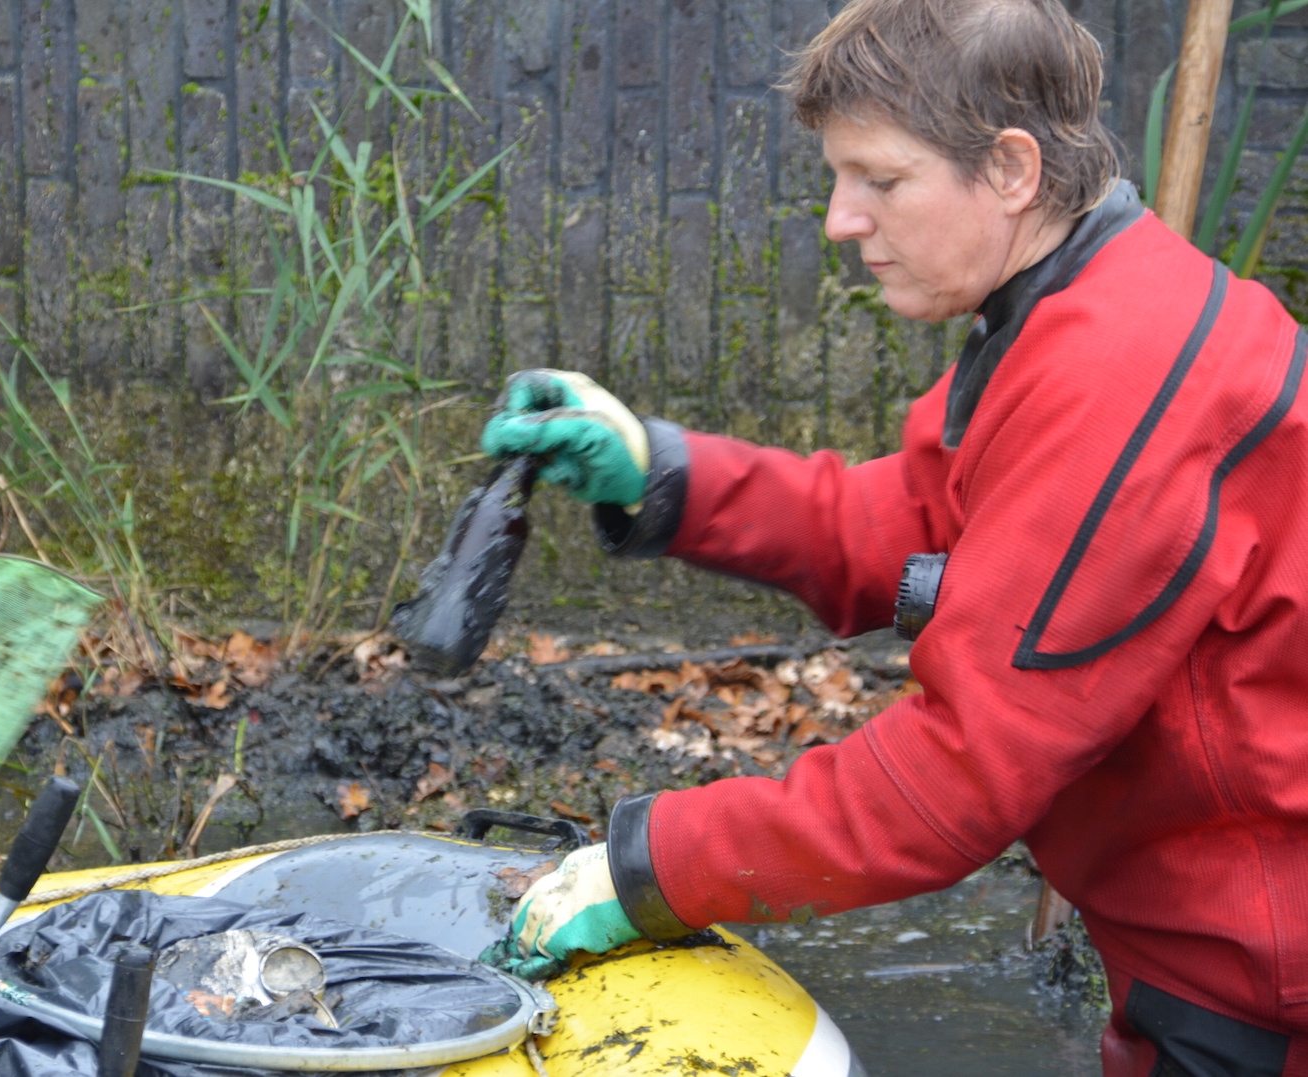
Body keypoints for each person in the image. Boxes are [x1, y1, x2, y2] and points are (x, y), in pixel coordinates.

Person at [480, 0, 1308, 1074]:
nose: (841, 220)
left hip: (1255, 986)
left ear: (1010, 169)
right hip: (1212, 944)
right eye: (840, 178)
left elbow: (955, 779)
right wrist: (662, 471)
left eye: (880, 179)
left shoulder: (1119, 379)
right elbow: (901, 523)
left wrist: (648, 871)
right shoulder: (1074, 306)